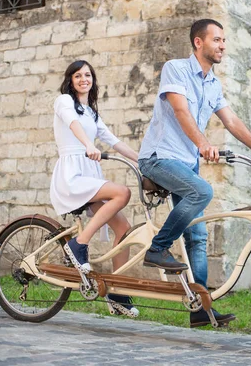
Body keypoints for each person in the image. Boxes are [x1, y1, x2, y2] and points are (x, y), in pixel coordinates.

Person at [138, 19, 251, 328]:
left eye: (224, 40)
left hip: (186, 163)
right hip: (159, 158)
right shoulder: (175, 69)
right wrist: (203, 143)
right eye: (217, 40)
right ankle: (158, 249)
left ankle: (199, 308)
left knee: (198, 235)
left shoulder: (213, 83)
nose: (223, 45)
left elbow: (230, 120)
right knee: (203, 191)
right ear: (198, 43)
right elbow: (181, 111)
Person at [50, 60, 140, 318]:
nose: (83, 79)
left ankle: (116, 291)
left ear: (93, 79)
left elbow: (115, 141)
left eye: (87, 75)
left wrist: (144, 161)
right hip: (72, 174)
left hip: (88, 174)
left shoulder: (91, 113)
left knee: (124, 228)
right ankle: (79, 244)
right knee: (122, 192)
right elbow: (72, 124)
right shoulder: (64, 102)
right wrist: (89, 145)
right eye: (77, 75)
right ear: (71, 80)